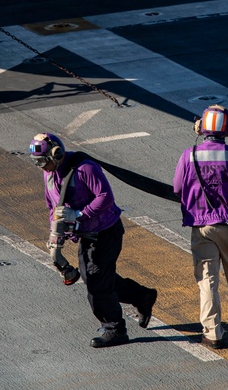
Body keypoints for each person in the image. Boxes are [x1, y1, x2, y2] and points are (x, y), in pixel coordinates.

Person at [29, 132, 157, 348]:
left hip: (105, 232)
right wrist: (55, 231)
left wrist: (79, 214)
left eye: (43, 161)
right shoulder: (49, 173)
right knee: (96, 279)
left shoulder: (85, 168)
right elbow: (52, 206)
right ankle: (141, 296)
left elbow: (106, 197)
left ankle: (114, 329)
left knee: (96, 283)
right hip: (85, 234)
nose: (41, 166)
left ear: (56, 154)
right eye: (37, 162)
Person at [173, 105, 228, 350]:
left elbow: (177, 189)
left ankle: (213, 333)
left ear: (199, 128)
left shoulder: (189, 155)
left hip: (201, 225)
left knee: (207, 280)